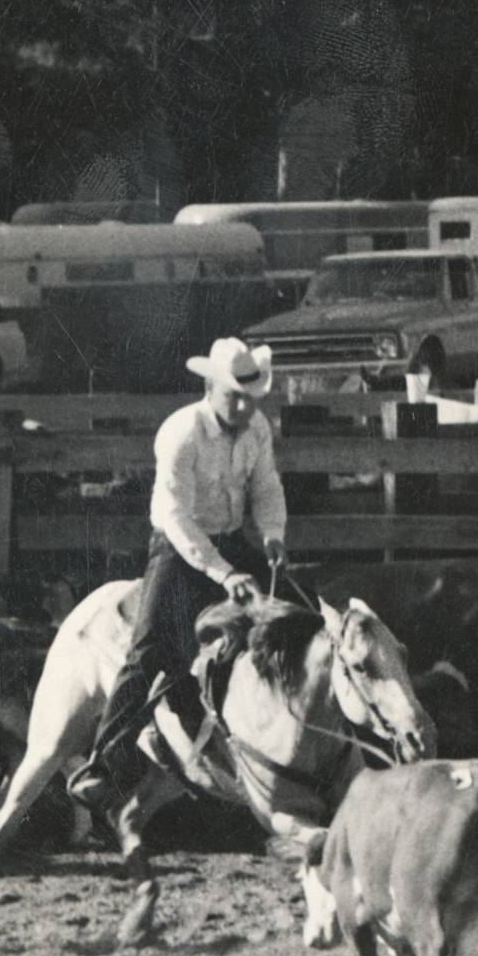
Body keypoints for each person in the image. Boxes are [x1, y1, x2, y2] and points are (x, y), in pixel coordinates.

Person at [68, 336, 289, 852]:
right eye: (234, 397)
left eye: (250, 397)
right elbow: (177, 518)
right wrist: (224, 574)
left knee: (295, 613)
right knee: (148, 647)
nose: (243, 407)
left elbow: (266, 487)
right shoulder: (181, 433)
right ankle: (104, 762)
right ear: (210, 388)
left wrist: (273, 533)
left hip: (229, 542)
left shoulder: (256, 428)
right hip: (178, 549)